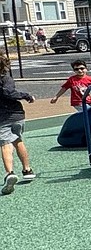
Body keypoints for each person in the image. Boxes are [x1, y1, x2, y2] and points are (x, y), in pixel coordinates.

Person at [0, 55, 37, 195]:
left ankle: (10, 173)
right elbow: (10, 92)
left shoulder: (5, 79)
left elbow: (7, 93)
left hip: (3, 116)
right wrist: (27, 96)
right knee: (17, 140)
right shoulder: (6, 78)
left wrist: (25, 95)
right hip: (17, 114)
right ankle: (27, 169)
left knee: (5, 144)